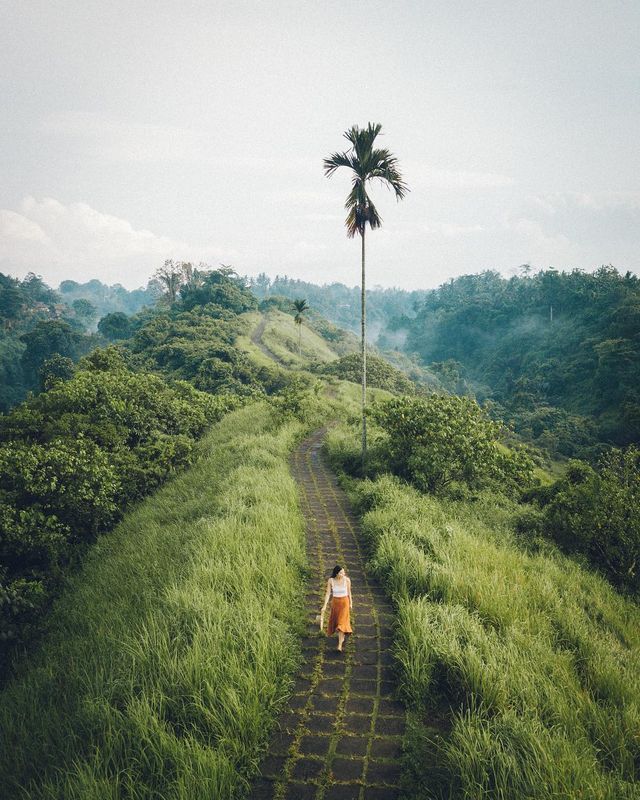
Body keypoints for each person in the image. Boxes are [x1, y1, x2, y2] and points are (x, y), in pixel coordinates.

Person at [320, 565, 353, 652]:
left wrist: (351, 603)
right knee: (338, 622)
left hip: (344, 603)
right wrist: (324, 605)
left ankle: (339, 645)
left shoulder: (347, 580)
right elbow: (328, 594)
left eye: (343, 572)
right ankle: (341, 638)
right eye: (341, 572)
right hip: (335, 604)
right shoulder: (331, 581)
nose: (343, 574)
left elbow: (349, 592)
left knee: (341, 624)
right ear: (336, 573)